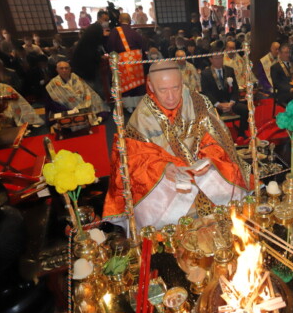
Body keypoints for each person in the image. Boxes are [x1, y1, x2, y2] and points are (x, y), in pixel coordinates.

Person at [103, 59, 251, 230]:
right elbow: (136, 158)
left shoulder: (199, 102)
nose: (171, 97)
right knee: (152, 213)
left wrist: (209, 159)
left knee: (232, 188)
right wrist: (163, 167)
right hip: (166, 177)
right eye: (163, 90)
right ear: (151, 86)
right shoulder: (142, 116)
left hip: (203, 169)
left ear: (182, 83)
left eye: (176, 88)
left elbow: (217, 139)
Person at [200, 42, 249, 139]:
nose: (220, 60)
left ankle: (241, 132)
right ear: (211, 59)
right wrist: (219, 104)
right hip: (216, 104)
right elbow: (206, 93)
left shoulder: (229, 70)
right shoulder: (206, 74)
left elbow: (235, 89)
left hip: (230, 102)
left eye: (221, 57)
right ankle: (217, 137)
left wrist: (231, 103)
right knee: (210, 115)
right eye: (217, 58)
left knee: (245, 109)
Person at [107, 12, 146, 110]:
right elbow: (142, 45)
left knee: (125, 83)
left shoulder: (116, 31)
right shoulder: (134, 32)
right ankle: (139, 104)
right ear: (129, 21)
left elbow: (111, 47)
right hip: (136, 60)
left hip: (122, 61)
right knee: (137, 83)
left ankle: (128, 106)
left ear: (119, 20)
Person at [72, 9, 110, 97]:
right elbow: (93, 47)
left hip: (85, 60)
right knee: (93, 87)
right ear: (99, 18)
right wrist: (100, 57)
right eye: (105, 20)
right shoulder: (96, 28)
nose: (106, 22)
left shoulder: (94, 27)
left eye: (108, 20)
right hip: (86, 62)